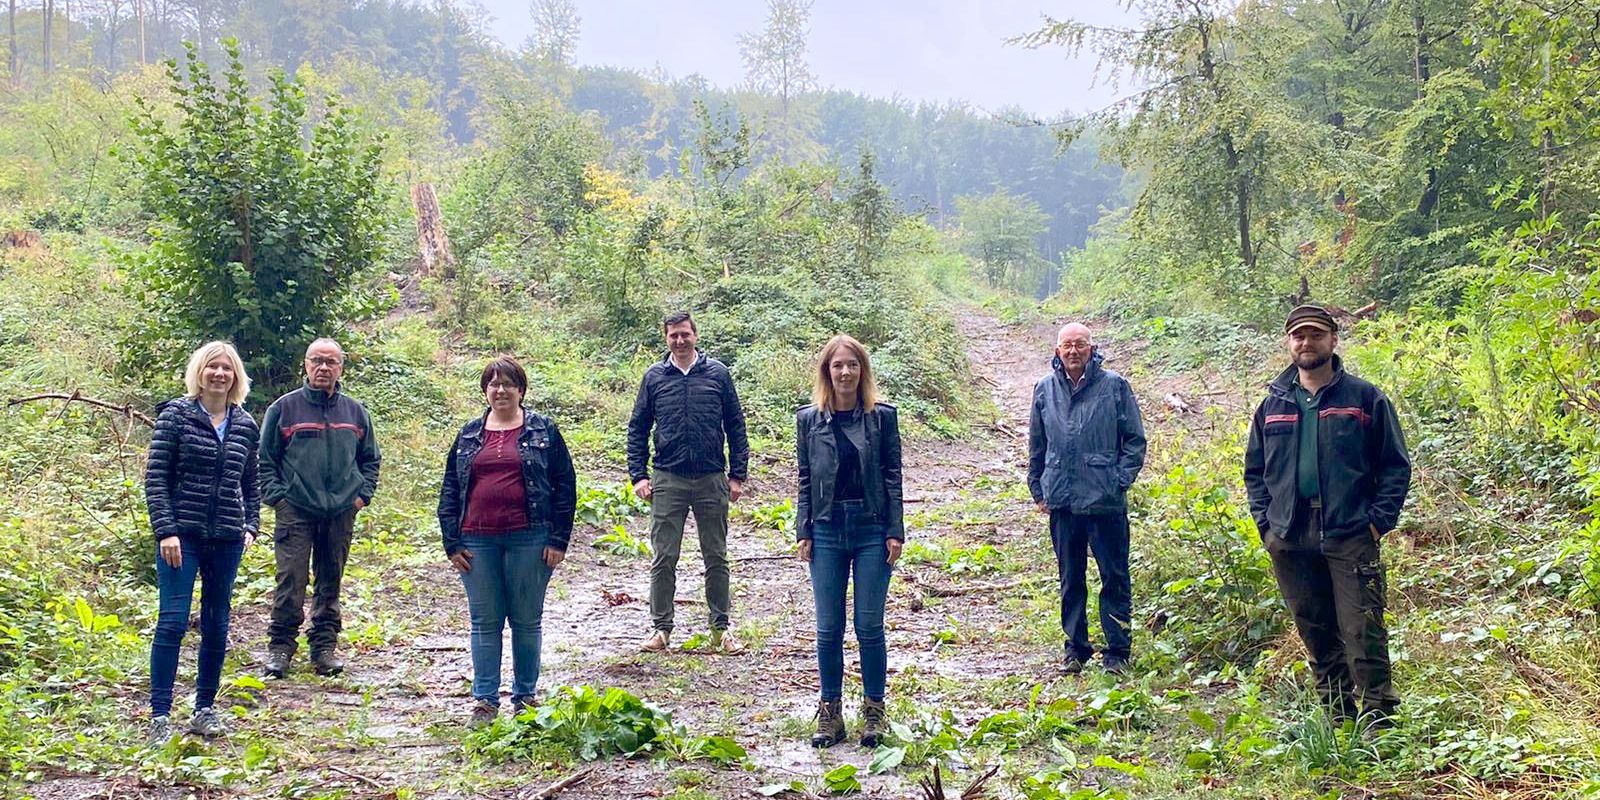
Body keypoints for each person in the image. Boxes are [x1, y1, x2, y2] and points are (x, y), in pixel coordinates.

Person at [1245, 304, 1410, 727]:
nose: (1306, 342)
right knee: (1315, 629)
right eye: (1298, 335)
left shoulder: (1365, 397)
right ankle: (1338, 718)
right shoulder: (1272, 405)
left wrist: (1376, 522)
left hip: (1350, 531)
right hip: (1290, 534)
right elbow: (1255, 472)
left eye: (1316, 334)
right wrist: (1267, 526)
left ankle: (1379, 722)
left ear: (1333, 340)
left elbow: (1394, 465)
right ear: (1289, 343)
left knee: (1363, 629)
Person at [438, 356, 577, 726]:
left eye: (508, 384)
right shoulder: (469, 434)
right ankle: (485, 700)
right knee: (484, 621)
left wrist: (559, 539)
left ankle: (525, 697)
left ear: (521, 389)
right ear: (485, 390)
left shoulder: (544, 431)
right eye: (493, 384)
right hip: (476, 542)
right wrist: (451, 542)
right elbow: (451, 487)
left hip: (531, 538)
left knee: (526, 620)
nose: (500, 390)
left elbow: (565, 486)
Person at [144, 341, 261, 745]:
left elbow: (251, 481)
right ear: (199, 371)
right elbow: (156, 478)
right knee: (173, 621)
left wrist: (251, 525)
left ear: (235, 376)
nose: (219, 374)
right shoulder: (176, 416)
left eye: (226, 368)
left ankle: (204, 709)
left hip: (227, 537)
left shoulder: (245, 423)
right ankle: (160, 715)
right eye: (212, 366)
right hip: (183, 536)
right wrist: (166, 530)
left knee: (216, 623)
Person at [795, 335, 903, 749]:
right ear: (827, 371)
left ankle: (874, 710)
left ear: (862, 371)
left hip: (872, 528)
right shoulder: (809, 420)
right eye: (838, 365)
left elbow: (893, 475)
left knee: (869, 625)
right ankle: (830, 712)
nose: (845, 372)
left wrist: (896, 530)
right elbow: (804, 478)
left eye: (852, 365)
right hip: (825, 529)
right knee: (828, 628)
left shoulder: (882, 418)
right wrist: (803, 528)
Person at [627, 311, 751, 654]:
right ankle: (661, 629)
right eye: (673, 336)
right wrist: (638, 475)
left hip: (712, 478)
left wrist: (737, 474)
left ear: (695, 335)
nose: (679, 340)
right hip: (668, 477)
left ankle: (721, 628)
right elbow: (638, 428)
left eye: (685, 334)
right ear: (666, 339)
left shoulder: (718, 374)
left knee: (716, 556)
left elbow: (736, 426)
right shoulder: (654, 377)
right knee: (664, 556)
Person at [1027, 322, 1147, 674]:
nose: (1074, 351)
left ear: (1092, 349)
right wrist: (1038, 487)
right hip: (1062, 500)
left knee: (1114, 575)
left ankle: (1117, 651)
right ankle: (1075, 649)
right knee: (1070, 577)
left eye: (1080, 344)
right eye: (1067, 345)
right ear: (1057, 351)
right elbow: (1037, 444)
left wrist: (1117, 481)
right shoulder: (1045, 389)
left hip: (1104, 499)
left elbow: (1134, 441)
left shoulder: (1114, 386)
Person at [259, 338, 381, 679]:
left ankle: (324, 647)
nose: (324, 367)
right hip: (295, 509)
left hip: (341, 509)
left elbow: (370, 459)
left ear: (340, 367)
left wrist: (361, 497)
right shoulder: (283, 409)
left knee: (331, 580)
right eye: (317, 361)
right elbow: (265, 461)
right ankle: (280, 647)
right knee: (290, 579)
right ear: (306, 365)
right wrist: (279, 500)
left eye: (331, 362)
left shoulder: (355, 412)